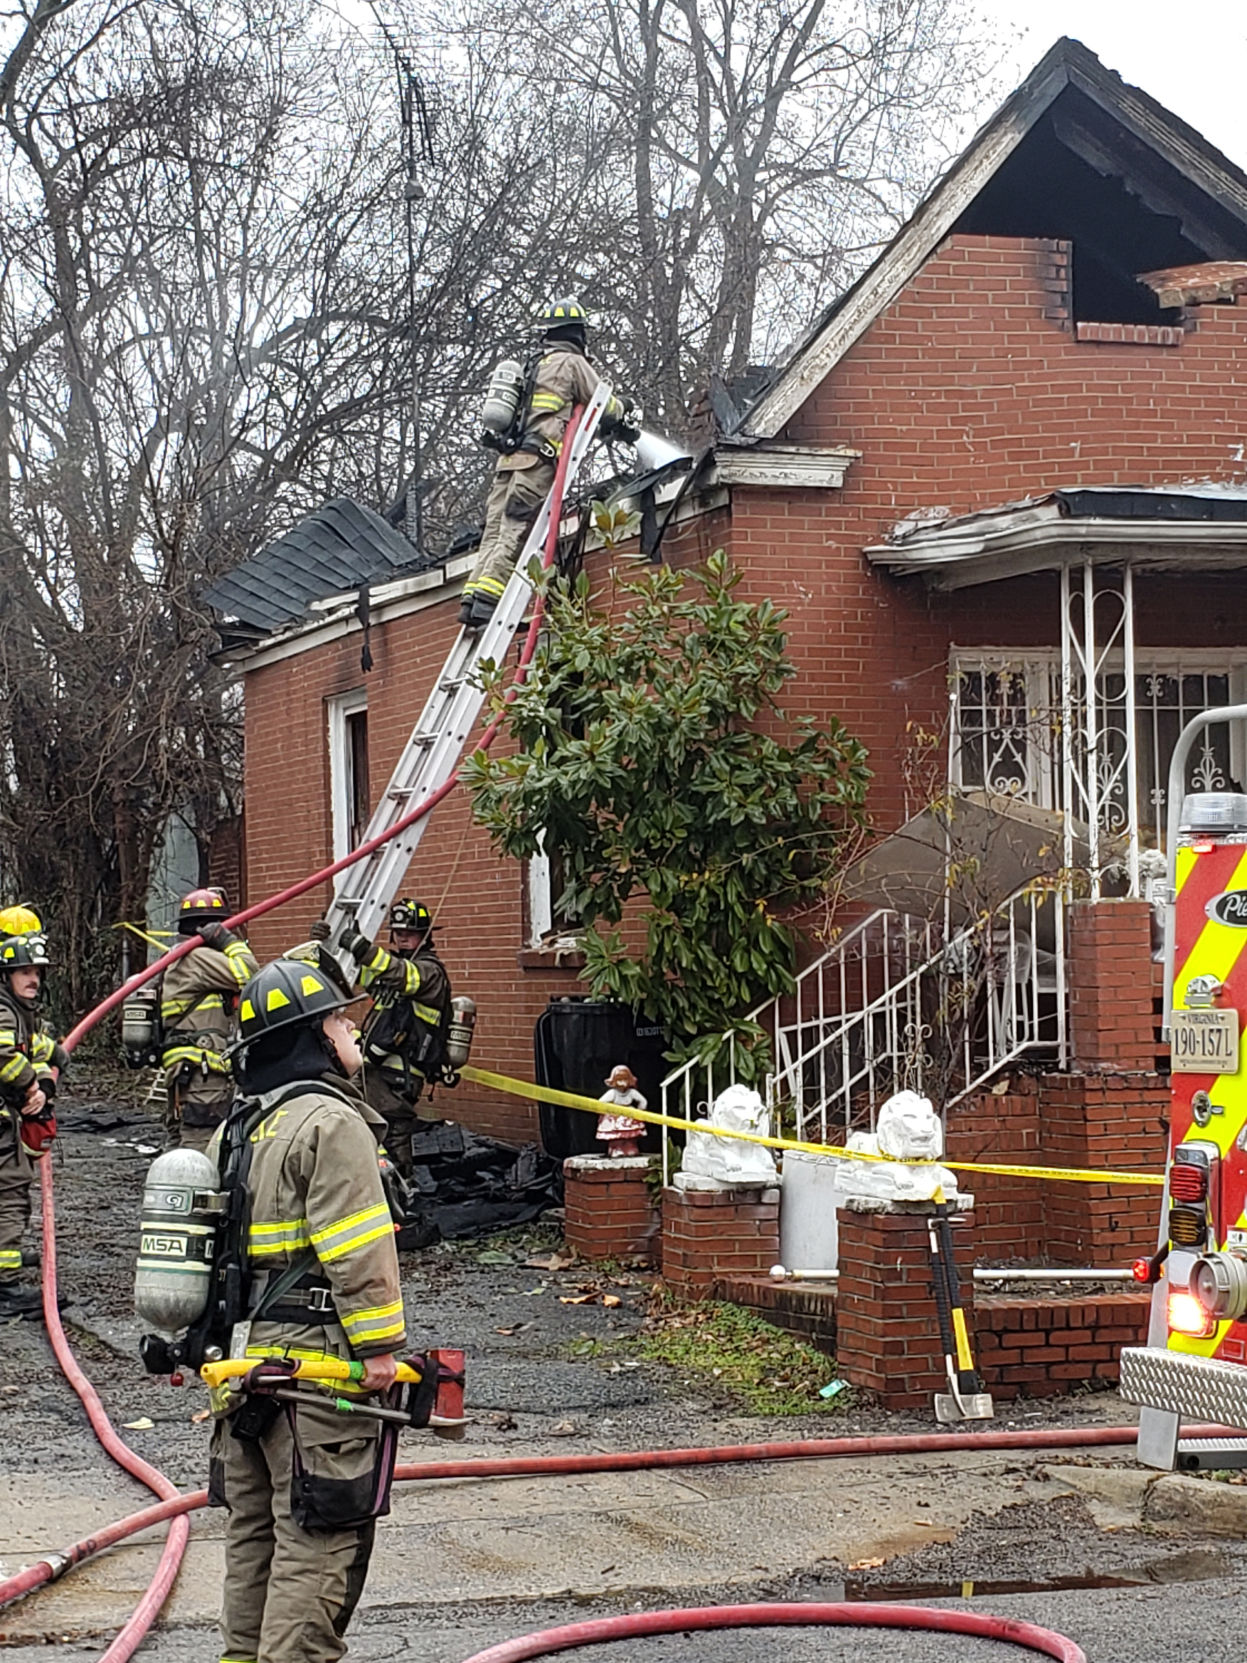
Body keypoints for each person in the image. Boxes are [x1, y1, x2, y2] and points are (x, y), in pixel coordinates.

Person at [212, 956, 406, 1663]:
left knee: (253, 1530)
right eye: (336, 1017)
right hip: (314, 1364)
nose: (350, 1025)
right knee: (318, 1534)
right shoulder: (331, 1122)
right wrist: (380, 1349)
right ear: (311, 1037)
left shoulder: (241, 1126)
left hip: (242, 1362)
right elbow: (357, 1246)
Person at [458, 296, 640, 629]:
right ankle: (488, 601)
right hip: (535, 464)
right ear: (578, 333)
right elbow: (603, 403)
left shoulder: (532, 366)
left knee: (495, 532)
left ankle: (472, 597)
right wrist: (624, 407)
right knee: (516, 529)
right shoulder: (572, 363)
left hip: (508, 462)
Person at [313, 901, 452, 1180]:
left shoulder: (429, 972)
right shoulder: (394, 969)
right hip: (376, 1067)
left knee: (391, 1137)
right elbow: (350, 976)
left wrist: (362, 947)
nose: (402, 937)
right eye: (398, 931)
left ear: (425, 934)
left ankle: (402, 1198)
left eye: (410, 932)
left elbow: (402, 976)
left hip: (400, 1073)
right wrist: (324, 946)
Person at [161, 887, 257, 1151]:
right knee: (200, 1146)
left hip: (192, 1073)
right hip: (202, 1073)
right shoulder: (198, 958)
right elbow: (249, 974)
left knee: (183, 1142)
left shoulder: (183, 957)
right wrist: (229, 942)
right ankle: (197, 1191)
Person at [0, 928, 65, 1317]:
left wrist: (54, 1056)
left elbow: (32, 1046)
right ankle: (4, 1287)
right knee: (9, 1195)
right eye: (24, 971)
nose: (33, 979)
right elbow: (5, 1054)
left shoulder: (17, 1011)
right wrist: (30, 1089)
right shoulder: (4, 1010)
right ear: (6, 975)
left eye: (37, 971)